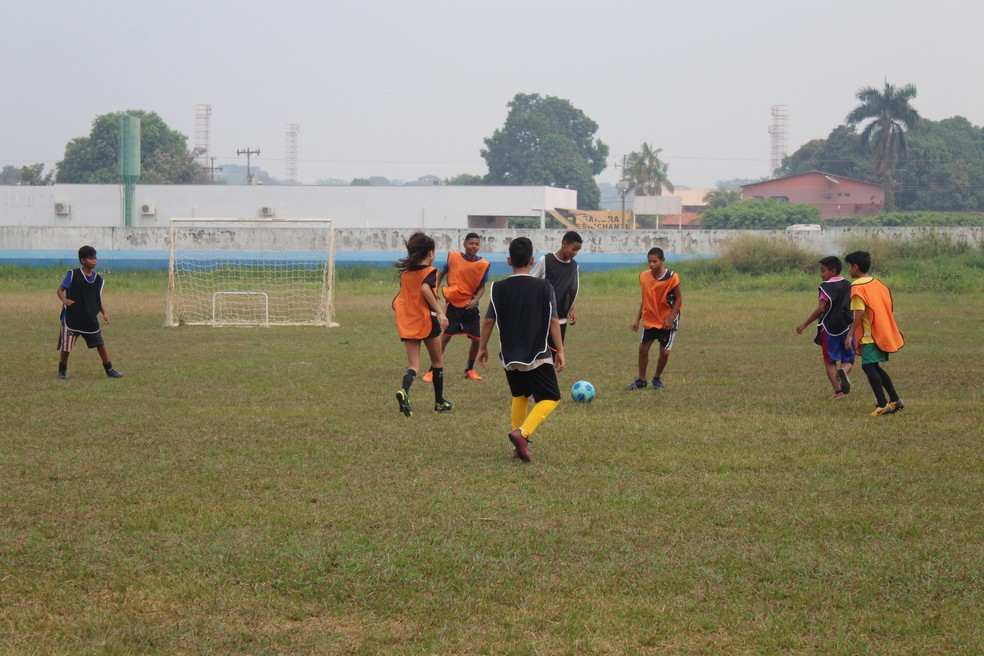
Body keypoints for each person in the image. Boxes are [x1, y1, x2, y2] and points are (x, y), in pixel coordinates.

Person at [478, 237, 565, 463]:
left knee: (520, 395)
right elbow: (554, 320)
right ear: (531, 260)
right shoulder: (544, 287)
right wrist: (560, 350)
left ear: (509, 261)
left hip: (509, 356)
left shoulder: (497, 288)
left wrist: (482, 347)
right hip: (536, 353)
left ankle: (518, 448)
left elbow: (488, 321)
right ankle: (522, 433)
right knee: (551, 397)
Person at [392, 232, 453, 417]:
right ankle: (439, 402)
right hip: (426, 321)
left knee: (414, 366)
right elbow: (425, 289)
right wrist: (440, 312)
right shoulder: (430, 272)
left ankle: (404, 391)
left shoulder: (406, 274)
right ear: (431, 253)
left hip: (408, 322)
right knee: (437, 362)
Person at [422, 232, 491, 382]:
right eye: (471, 243)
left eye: (477, 244)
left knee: (476, 340)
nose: (474, 246)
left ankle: (469, 369)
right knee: (445, 337)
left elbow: (482, 287)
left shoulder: (482, 265)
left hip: (470, 306)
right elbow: (440, 274)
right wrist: (435, 290)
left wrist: (475, 300)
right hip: (453, 304)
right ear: (465, 245)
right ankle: (432, 370)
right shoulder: (454, 258)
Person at [844, 250, 905, 416]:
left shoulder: (857, 287)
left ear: (856, 267)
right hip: (882, 333)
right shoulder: (878, 284)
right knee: (874, 366)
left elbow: (859, 313)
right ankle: (895, 400)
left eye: (849, 266)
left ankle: (882, 404)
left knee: (868, 366)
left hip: (869, 336)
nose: (848, 270)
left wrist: (850, 334)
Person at [56, 245, 123, 379]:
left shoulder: (98, 279)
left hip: (89, 319)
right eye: (91, 258)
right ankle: (62, 369)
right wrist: (65, 300)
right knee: (67, 346)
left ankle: (109, 369)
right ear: (82, 260)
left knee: (100, 344)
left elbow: (97, 299)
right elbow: (60, 290)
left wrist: (104, 312)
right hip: (72, 318)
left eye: (95, 258)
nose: (94, 260)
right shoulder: (73, 274)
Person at [796, 256, 856, 399]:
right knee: (848, 360)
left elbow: (821, 308)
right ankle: (844, 371)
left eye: (823, 271)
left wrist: (805, 324)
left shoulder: (825, 287)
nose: (820, 274)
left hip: (828, 328)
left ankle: (838, 391)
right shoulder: (849, 285)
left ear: (833, 271)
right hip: (847, 326)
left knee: (830, 361)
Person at [625, 247, 682, 391]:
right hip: (650, 320)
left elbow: (679, 299)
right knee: (643, 349)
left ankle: (657, 378)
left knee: (665, 353)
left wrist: (670, 319)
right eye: (649, 261)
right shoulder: (644, 276)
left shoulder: (672, 277)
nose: (651, 264)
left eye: (655, 261)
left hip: (666, 321)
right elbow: (645, 300)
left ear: (662, 260)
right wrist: (637, 319)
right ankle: (641, 380)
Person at [531, 230, 582, 350]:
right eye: (574, 249)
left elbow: (570, 289)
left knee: (556, 353)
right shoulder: (546, 260)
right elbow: (531, 281)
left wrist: (571, 308)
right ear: (564, 243)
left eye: (578, 250)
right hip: (543, 318)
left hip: (561, 319)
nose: (575, 253)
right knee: (539, 352)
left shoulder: (574, 266)